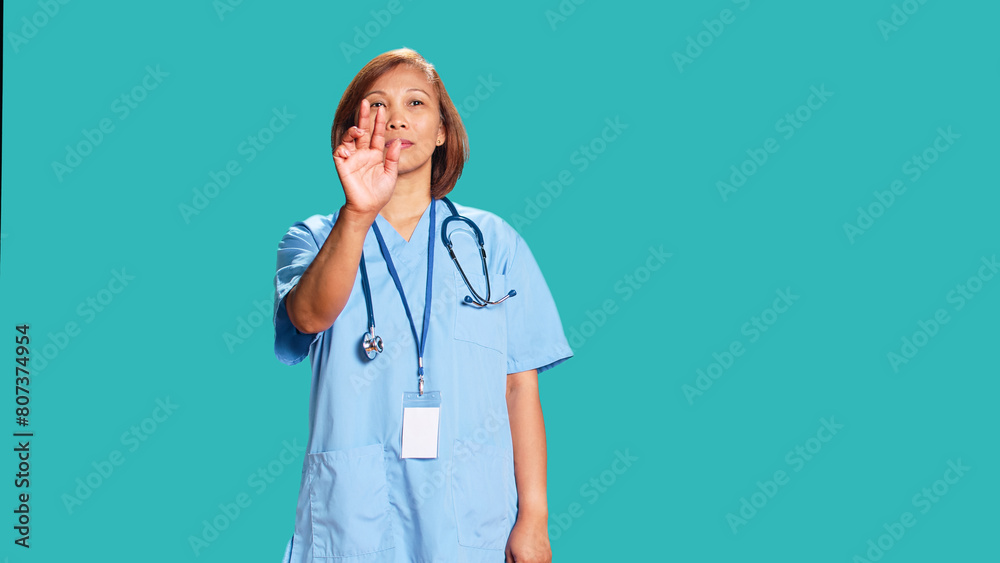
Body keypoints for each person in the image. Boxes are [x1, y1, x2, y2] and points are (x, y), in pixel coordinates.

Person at [272, 48, 572, 563]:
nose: (396, 118)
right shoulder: (314, 238)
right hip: (354, 515)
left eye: (415, 102)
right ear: (353, 130)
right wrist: (358, 213)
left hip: (469, 515)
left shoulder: (492, 243)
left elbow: (519, 387)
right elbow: (308, 316)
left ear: (441, 132)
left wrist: (535, 518)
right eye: (377, 105)